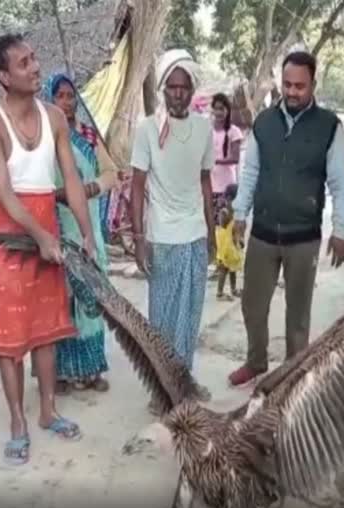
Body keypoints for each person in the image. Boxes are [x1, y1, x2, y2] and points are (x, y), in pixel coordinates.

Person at [0, 33, 96, 465]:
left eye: (34, 58)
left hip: (46, 220)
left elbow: (72, 181)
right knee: (10, 341)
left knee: (45, 331)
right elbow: (5, 194)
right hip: (6, 237)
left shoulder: (55, 119)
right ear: (3, 76)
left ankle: (47, 412)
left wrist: (86, 233)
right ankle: (17, 423)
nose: (34, 66)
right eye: (23, 63)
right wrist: (42, 238)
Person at [227, 50, 344, 387]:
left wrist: (340, 230)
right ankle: (256, 362)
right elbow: (250, 171)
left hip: (304, 237)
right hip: (263, 234)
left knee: (298, 316)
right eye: (287, 84)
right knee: (253, 306)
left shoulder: (329, 127)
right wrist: (240, 214)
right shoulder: (264, 123)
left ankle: (293, 376)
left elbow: (340, 182)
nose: (293, 92)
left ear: (313, 84)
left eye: (300, 85)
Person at [130, 48, 214, 412]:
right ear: (164, 90)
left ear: (192, 89)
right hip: (162, 238)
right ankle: (160, 389)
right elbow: (136, 186)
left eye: (184, 87)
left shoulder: (205, 128)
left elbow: (207, 183)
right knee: (162, 321)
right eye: (172, 87)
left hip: (194, 235)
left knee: (190, 317)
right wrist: (138, 238)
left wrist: (211, 233)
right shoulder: (147, 130)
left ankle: (184, 385)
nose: (178, 93)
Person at [38, 71, 119, 394]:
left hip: (87, 228)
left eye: (71, 96)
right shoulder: (42, 141)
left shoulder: (87, 135)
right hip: (56, 226)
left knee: (91, 296)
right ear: (49, 100)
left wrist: (92, 187)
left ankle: (91, 369)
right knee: (59, 298)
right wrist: (59, 195)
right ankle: (59, 372)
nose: (67, 102)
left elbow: (112, 173)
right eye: (60, 96)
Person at [209, 93, 243, 224]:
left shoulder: (234, 132)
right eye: (216, 109)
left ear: (228, 110)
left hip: (227, 188)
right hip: (210, 187)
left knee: (225, 227)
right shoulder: (207, 130)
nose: (218, 112)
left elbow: (235, 158)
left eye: (222, 109)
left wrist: (215, 161)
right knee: (211, 227)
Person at [214, 183, 243, 301]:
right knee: (223, 269)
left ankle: (233, 289)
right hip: (225, 245)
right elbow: (223, 225)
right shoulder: (224, 212)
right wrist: (230, 214)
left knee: (233, 268)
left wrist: (239, 240)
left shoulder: (236, 212)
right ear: (229, 199)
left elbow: (237, 229)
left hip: (232, 244)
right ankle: (219, 293)